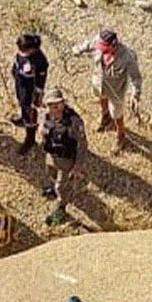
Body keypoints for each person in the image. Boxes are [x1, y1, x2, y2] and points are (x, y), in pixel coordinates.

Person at [71, 28, 142, 150]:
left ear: (113, 45)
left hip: (116, 90)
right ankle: (105, 117)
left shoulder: (127, 57)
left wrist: (135, 94)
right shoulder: (97, 42)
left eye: (103, 47)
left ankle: (121, 135)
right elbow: (87, 45)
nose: (99, 49)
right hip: (99, 83)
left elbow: (136, 78)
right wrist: (78, 49)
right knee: (101, 98)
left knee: (117, 113)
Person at [37, 87, 88, 224]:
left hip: (67, 159)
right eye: (50, 105)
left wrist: (77, 166)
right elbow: (42, 128)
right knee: (51, 175)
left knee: (61, 186)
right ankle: (55, 189)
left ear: (63, 103)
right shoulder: (46, 115)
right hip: (51, 156)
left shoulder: (73, 121)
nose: (54, 108)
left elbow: (82, 145)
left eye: (57, 104)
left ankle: (61, 206)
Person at [11, 33, 49, 155]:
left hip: (30, 92)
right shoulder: (22, 53)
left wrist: (37, 98)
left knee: (30, 114)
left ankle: (30, 138)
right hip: (21, 86)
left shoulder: (40, 61)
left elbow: (40, 84)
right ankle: (23, 118)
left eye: (24, 50)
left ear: (32, 50)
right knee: (22, 105)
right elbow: (17, 65)